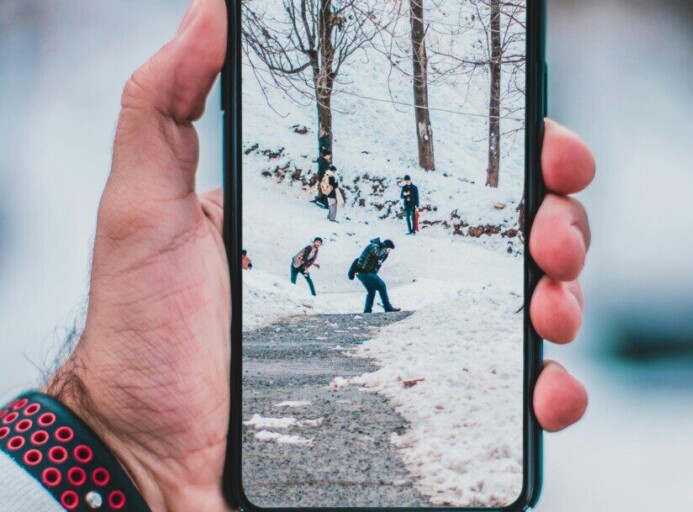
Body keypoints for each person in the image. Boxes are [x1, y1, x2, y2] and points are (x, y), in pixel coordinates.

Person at [0, 1, 595, 508]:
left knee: (378, 291)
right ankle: (366, 314)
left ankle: (367, 313)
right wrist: (115, 438)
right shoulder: (361, 247)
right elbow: (344, 262)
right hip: (317, 282)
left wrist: (102, 448)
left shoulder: (373, 245)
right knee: (370, 290)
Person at [354, 238, 401, 313]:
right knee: (382, 286)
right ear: (386, 246)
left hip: (363, 273)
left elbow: (378, 263)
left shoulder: (380, 249)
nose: (388, 251)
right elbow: (378, 255)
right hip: (364, 272)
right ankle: (387, 307)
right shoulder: (374, 246)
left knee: (371, 291)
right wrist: (385, 249)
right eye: (389, 249)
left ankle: (367, 310)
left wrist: (386, 255)